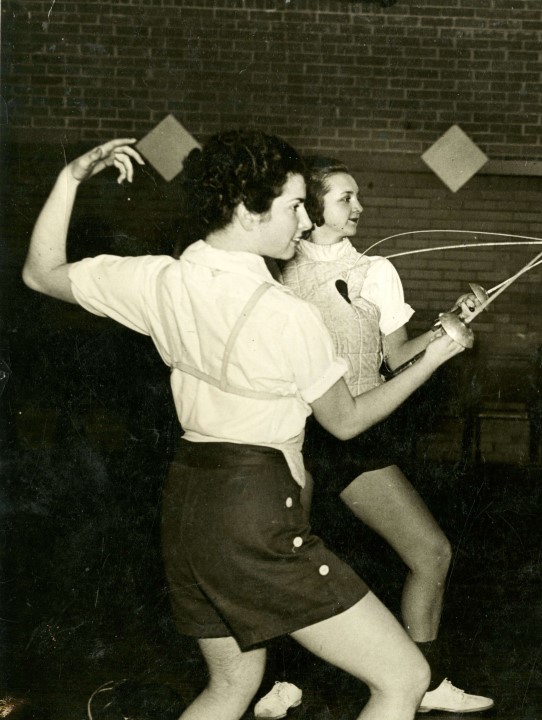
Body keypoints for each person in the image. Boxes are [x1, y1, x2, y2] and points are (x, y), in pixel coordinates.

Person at [22, 132, 470, 720]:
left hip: (188, 503)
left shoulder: (161, 279)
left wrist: (71, 178)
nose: (302, 222)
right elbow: (346, 421)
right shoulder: (286, 314)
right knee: (403, 677)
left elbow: (41, 271)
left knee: (233, 683)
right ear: (245, 210)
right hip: (254, 508)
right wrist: (436, 354)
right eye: (291, 207)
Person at [264, 156, 491, 716]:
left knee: (431, 552)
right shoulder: (272, 271)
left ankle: (424, 683)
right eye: (345, 199)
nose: (358, 208)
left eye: (357, 197)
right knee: (284, 562)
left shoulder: (377, 271)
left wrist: (447, 327)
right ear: (311, 209)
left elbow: (395, 358)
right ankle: (283, 680)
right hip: (292, 436)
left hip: (357, 434)